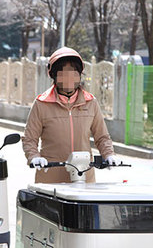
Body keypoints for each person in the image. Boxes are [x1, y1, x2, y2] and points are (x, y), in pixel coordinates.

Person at [22, 47, 119, 183]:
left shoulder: (91, 102)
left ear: (79, 75)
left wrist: (109, 154)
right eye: (62, 74)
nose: (68, 79)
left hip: (84, 177)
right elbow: (29, 139)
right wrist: (34, 157)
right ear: (54, 75)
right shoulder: (41, 104)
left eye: (73, 73)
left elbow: (102, 137)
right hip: (50, 176)